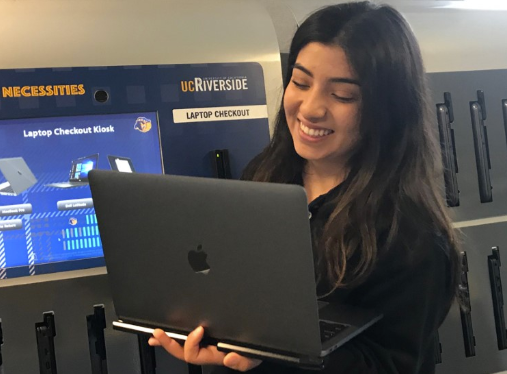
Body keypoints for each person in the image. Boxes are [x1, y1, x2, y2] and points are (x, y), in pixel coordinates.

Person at [148, 2, 462, 373]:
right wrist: (213, 329)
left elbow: (387, 365)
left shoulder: (411, 237)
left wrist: (271, 353)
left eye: (342, 95)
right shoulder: (266, 175)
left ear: (387, 109)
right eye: (300, 82)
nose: (310, 108)